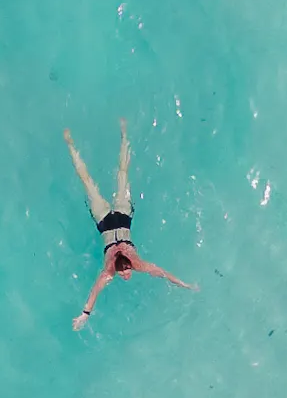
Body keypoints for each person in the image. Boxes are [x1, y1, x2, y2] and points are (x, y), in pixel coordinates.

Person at [69, 119, 196, 328]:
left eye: (125, 272)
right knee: (106, 179)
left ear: (127, 263)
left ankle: (122, 133)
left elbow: (163, 273)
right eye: (125, 273)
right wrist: (85, 314)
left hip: (112, 221)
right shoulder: (117, 269)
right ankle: (83, 143)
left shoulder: (122, 268)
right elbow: (95, 292)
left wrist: (184, 284)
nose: (126, 275)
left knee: (106, 179)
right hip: (117, 219)